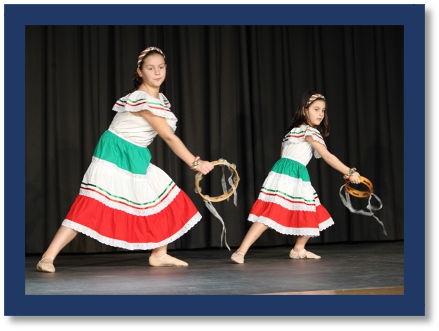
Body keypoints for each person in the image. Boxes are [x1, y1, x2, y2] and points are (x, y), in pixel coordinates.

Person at [36, 46, 214, 273]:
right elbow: (168, 137)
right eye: (151, 68)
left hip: (136, 154)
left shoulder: (159, 99)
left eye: (161, 67)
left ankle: (159, 254)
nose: (157, 72)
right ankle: (47, 257)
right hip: (115, 153)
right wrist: (196, 162)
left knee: (167, 198)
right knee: (90, 206)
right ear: (140, 72)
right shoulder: (141, 98)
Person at [230, 91, 361, 264]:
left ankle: (298, 248)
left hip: (284, 172)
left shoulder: (293, 132)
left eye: (323, 110)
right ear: (304, 109)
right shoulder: (310, 132)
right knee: (269, 214)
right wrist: (349, 172)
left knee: (310, 209)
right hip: (291, 173)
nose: (321, 114)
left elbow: (283, 154)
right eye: (316, 109)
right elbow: (327, 156)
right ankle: (240, 252)